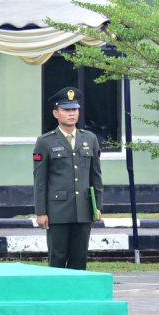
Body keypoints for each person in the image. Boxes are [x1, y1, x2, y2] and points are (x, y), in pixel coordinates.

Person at [33, 87, 102, 270]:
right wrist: (41, 212)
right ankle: (55, 296)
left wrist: (97, 206)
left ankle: (78, 296)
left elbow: (96, 176)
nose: (72, 114)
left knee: (79, 259)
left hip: (84, 208)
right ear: (56, 113)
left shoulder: (90, 139)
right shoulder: (45, 142)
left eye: (75, 109)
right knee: (57, 257)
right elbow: (40, 180)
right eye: (66, 110)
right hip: (58, 210)